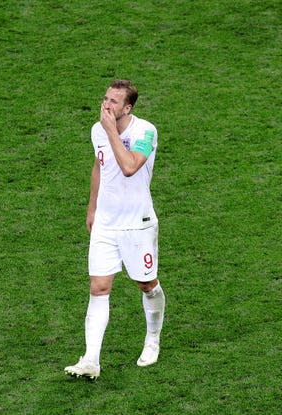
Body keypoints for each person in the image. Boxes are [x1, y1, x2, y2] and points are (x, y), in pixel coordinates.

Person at [64, 80, 166, 379]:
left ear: (128, 108)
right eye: (105, 99)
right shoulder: (97, 130)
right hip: (106, 224)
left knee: (146, 285)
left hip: (137, 224)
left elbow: (130, 166)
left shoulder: (145, 131)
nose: (106, 105)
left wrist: (110, 131)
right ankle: (91, 360)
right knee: (98, 288)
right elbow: (100, 165)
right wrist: (92, 206)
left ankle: (153, 338)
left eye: (113, 102)